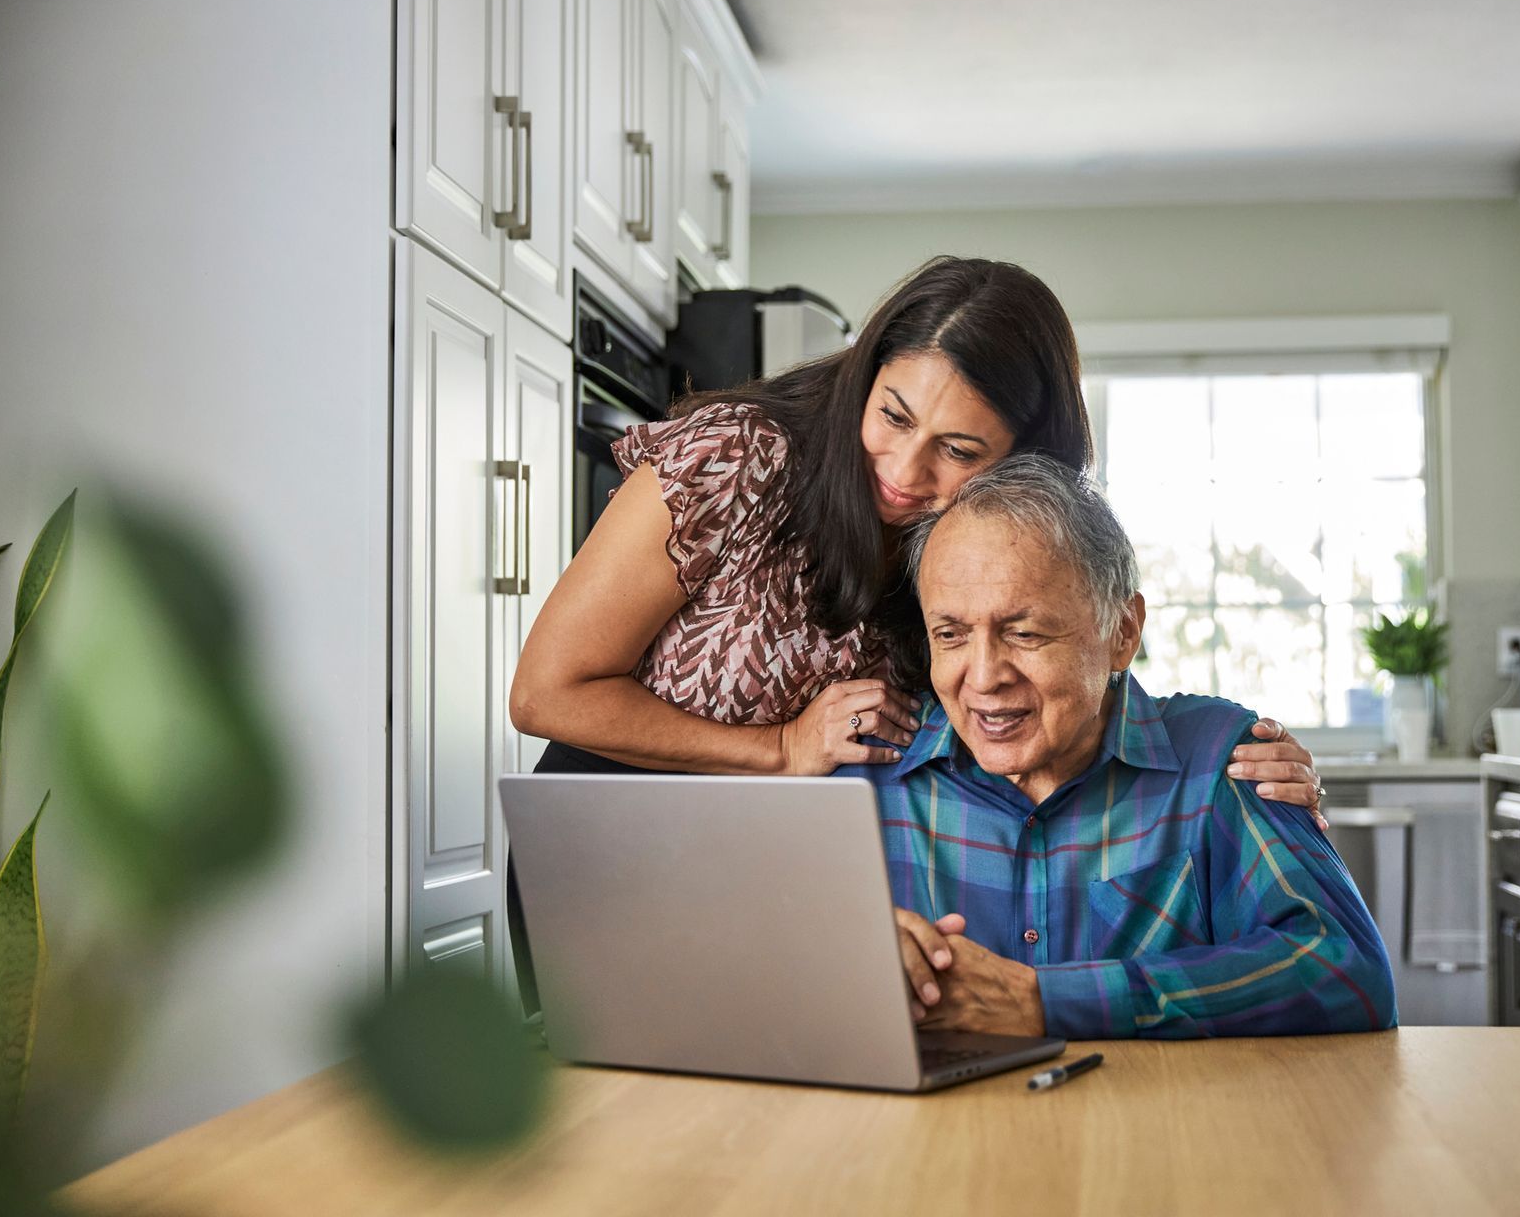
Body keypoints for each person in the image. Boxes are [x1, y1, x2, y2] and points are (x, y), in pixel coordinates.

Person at [509, 256, 1326, 813]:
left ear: (1024, 461)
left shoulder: (990, 545)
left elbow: (1069, 677)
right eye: (893, 415)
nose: (903, 469)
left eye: (960, 451)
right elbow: (546, 694)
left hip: (793, 871)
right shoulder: (737, 456)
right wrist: (781, 748)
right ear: (867, 375)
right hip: (611, 836)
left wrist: (1232, 765)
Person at [862, 454, 1394, 1039]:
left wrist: (1044, 1002)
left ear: (1123, 632)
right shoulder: (870, 779)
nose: (984, 676)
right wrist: (843, 962)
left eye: (1024, 633)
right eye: (951, 635)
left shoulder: (1220, 761)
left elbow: (1347, 972)